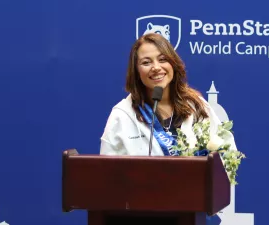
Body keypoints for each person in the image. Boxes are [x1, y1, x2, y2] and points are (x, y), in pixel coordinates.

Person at [100, 33, 237, 156]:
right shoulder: (122, 115)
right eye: (146, 62)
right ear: (136, 71)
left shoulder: (197, 106)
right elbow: (107, 174)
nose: (156, 67)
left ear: (173, 63)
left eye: (162, 59)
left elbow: (227, 157)